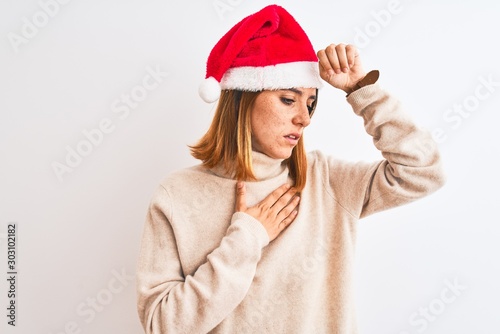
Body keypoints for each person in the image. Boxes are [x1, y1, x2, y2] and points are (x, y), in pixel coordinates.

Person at [136, 4, 445, 333]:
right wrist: (246, 239)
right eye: (288, 99)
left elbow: (422, 172)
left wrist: (362, 91)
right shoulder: (177, 195)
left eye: (310, 103)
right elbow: (162, 325)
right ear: (243, 98)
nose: (305, 118)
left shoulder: (325, 181)